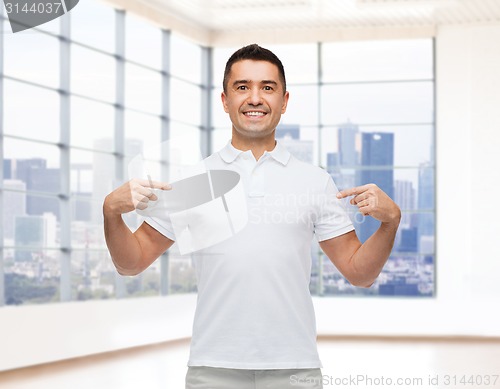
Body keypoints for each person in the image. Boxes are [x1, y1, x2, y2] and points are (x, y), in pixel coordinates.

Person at [103, 44, 401, 389]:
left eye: (267, 87)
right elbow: (131, 263)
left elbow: (359, 273)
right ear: (225, 100)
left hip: (294, 368)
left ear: (284, 101)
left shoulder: (315, 182)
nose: (255, 98)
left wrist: (390, 222)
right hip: (212, 367)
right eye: (242, 87)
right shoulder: (194, 181)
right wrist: (111, 212)